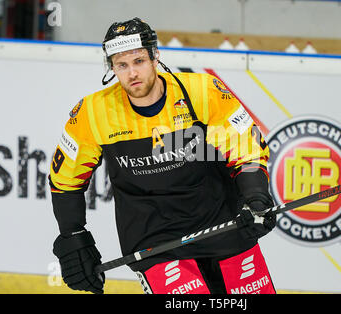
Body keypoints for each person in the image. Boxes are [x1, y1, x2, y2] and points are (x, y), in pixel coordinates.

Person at [49, 17, 276, 294]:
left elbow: (246, 149)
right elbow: (65, 179)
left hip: (223, 225)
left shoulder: (203, 91)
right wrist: (73, 237)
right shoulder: (92, 113)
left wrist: (256, 197)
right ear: (111, 68)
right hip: (154, 241)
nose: (132, 73)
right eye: (122, 65)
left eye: (139, 61)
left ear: (155, 57)